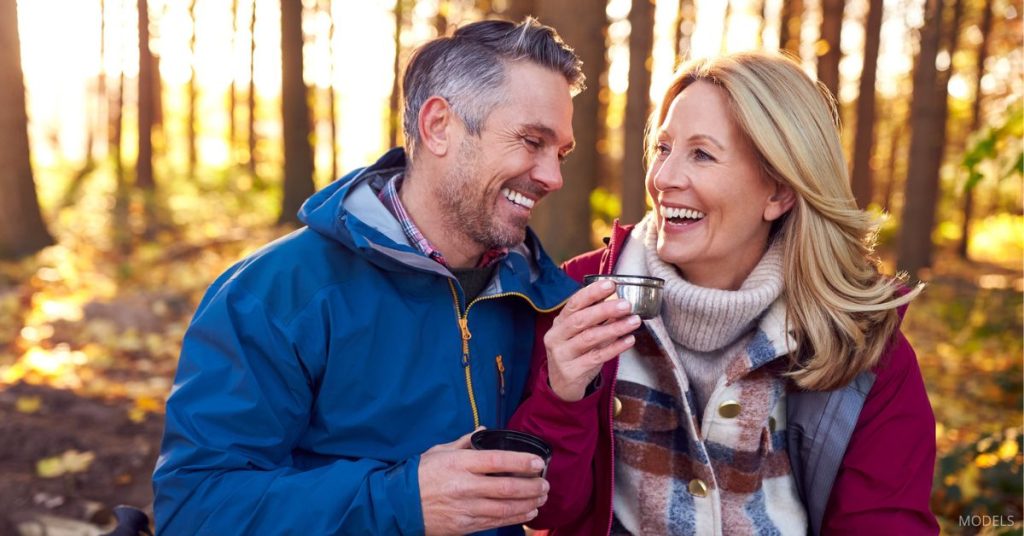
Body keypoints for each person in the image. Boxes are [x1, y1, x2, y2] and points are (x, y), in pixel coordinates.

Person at [153, 18, 586, 535]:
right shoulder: (276, 294)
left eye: (559, 153)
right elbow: (195, 509)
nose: (553, 177)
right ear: (439, 126)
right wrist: (400, 501)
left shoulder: (540, 298)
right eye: (531, 140)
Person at [508, 52, 939, 535]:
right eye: (665, 148)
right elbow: (548, 511)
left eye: (702, 154)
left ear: (778, 192)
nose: (665, 178)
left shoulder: (861, 343)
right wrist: (563, 394)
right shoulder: (581, 296)